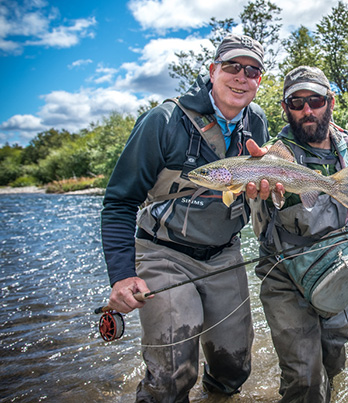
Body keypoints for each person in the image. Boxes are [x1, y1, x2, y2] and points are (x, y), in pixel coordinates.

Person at [100, 34, 270, 401]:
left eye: (252, 70)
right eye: (232, 67)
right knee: (173, 374)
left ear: (260, 81)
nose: (242, 77)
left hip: (224, 252)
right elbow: (118, 202)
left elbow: (259, 191)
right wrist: (122, 275)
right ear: (212, 71)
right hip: (164, 253)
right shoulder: (162, 120)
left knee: (234, 367)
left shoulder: (256, 123)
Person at [245, 65, 348, 402]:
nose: (307, 110)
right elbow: (259, 200)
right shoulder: (273, 156)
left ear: (331, 101)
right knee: (304, 377)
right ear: (285, 109)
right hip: (284, 275)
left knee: (334, 361)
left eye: (315, 100)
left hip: (338, 266)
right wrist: (264, 189)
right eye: (296, 103)